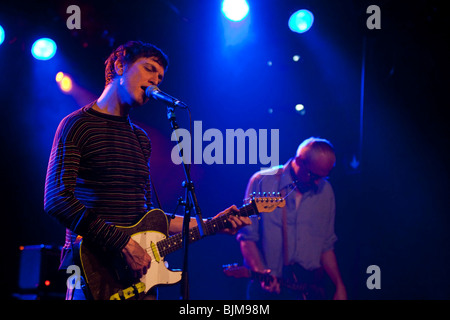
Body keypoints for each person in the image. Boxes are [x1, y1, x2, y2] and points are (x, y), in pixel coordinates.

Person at [44, 40, 250, 300]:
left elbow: (147, 218)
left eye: (160, 77)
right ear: (120, 66)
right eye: (149, 69)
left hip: (138, 277)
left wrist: (211, 224)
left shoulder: (140, 139)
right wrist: (123, 243)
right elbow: (57, 200)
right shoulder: (77, 125)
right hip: (90, 270)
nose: (156, 81)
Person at [236, 137, 347, 300]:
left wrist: (339, 285)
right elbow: (247, 238)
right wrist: (261, 272)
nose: (317, 182)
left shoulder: (326, 190)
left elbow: (326, 245)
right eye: (313, 175)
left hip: (307, 289)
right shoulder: (261, 182)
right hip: (267, 291)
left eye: (323, 177)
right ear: (299, 161)